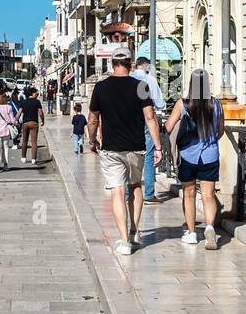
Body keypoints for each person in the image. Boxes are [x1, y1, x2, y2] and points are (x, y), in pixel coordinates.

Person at [87, 48, 163, 256]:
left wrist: (92, 140)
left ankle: (123, 241)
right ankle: (134, 230)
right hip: (136, 146)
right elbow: (150, 117)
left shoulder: (101, 87)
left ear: (112, 63)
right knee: (136, 186)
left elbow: (93, 119)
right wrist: (157, 146)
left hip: (111, 148)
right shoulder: (140, 86)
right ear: (130, 64)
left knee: (118, 192)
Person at [165, 68, 226, 250]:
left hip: (188, 155)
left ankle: (191, 233)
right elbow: (220, 131)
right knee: (209, 195)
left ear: (191, 84)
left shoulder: (183, 104)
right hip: (210, 155)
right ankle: (209, 227)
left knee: (189, 195)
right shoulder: (216, 104)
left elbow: (168, 127)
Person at [131, 55, 167, 202]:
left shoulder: (129, 79)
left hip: (132, 120)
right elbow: (160, 103)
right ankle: (149, 194)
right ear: (146, 66)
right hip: (147, 118)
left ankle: (128, 194)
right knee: (149, 156)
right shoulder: (150, 80)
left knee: (131, 155)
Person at [18, 86, 43, 164]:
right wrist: (43, 120)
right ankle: (33, 159)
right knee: (34, 142)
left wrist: (16, 120)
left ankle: (23, 158)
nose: (37, 94)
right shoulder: (37, 102)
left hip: (25, 123)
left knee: (24, 141)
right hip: (34, 123)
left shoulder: (23, 102)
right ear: (32, 93)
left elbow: (19, 112)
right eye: (36, 92)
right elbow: (40, 113)